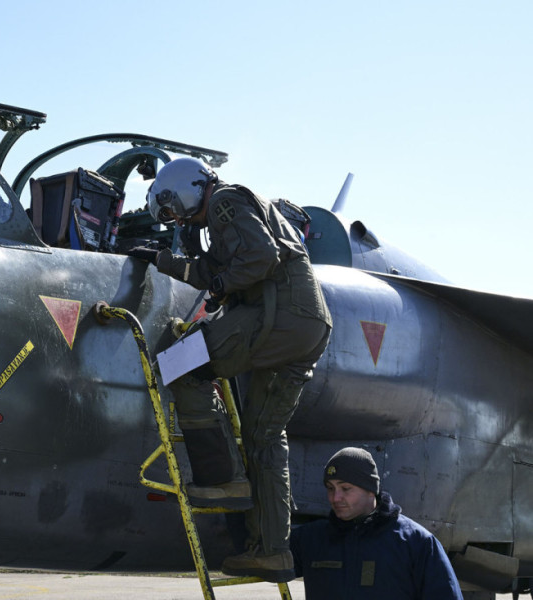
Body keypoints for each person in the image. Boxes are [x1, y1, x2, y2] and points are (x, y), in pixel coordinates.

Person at [127, 157, 332, 582]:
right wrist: (166, 262)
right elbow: (215, 268)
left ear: (185, 189)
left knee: (181, 364)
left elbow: (258, 258)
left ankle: (221, 477)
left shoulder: (223, 203)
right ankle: (272, 552)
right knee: (264, 438)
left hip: (277, 317)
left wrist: (219, 287)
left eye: (171, 207)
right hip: (307, 324)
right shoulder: (233, 210)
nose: (173, 217)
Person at [290, 447, 464, 599]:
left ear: (371, 490)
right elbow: (268, 559)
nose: (335, 498)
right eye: (330, 488)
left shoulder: (417, 544)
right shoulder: (309, 539)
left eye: (345, 488)